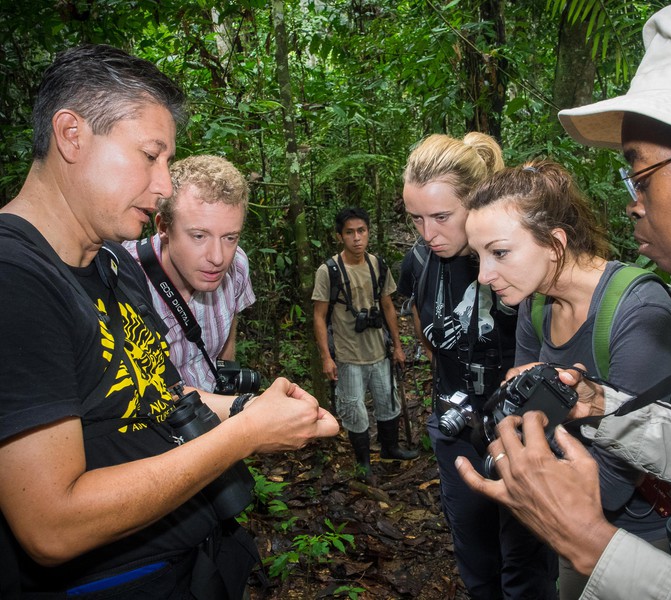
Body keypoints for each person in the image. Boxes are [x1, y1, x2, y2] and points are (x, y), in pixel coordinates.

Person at [456, 0, 671, 598]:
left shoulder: (644, 308)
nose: (632, 202)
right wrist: (601, 406)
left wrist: (593, 546)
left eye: (640, 175)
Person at [0, 44, 338, 598]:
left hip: (197, 562)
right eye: (149, 156)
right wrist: (244, 435)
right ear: (71, 134)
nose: (163, 187)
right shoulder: (16, 279)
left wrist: (249, 408)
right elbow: (51, 525)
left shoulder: (111, 262)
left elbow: (159, 392)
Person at [463, 159, 671, 598]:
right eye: (479, 257)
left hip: (643, 538)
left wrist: (521, 480)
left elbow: (615, 481)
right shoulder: (537, 302)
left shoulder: (638, 312)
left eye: (500, 252)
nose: (484, 275)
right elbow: (521, 412)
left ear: (555, 243)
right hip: (571, 524)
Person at [402, 133, 558, 600]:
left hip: (523, 430)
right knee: (477, 558)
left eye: (441, 217)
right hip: (455, 429)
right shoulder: (421, 260)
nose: (429, 233)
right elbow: (424, 328)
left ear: (474, 204)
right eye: (416, 219)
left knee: (527, 562)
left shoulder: (519, 258)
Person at [124, 154, 255, 392]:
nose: (217, 258)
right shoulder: (122, 278)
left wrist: (227, 376)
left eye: (230, 238)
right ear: (163, 227)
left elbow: (231, 322)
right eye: (199, 236)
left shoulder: (237, 266)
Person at [312, 207, 418, 484]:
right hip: (347, 355)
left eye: (361, 231)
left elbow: (387, 306)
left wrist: (397, 345)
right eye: (350, 232)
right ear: (339, 236)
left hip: (378, 350)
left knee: (388, 402)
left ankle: (390, 448)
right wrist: (326, 356)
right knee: (354, 409)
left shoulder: (377, 265)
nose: (357, 238)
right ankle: (363, 465)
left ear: (368, 232)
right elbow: (320, 316)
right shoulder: (329, 271)